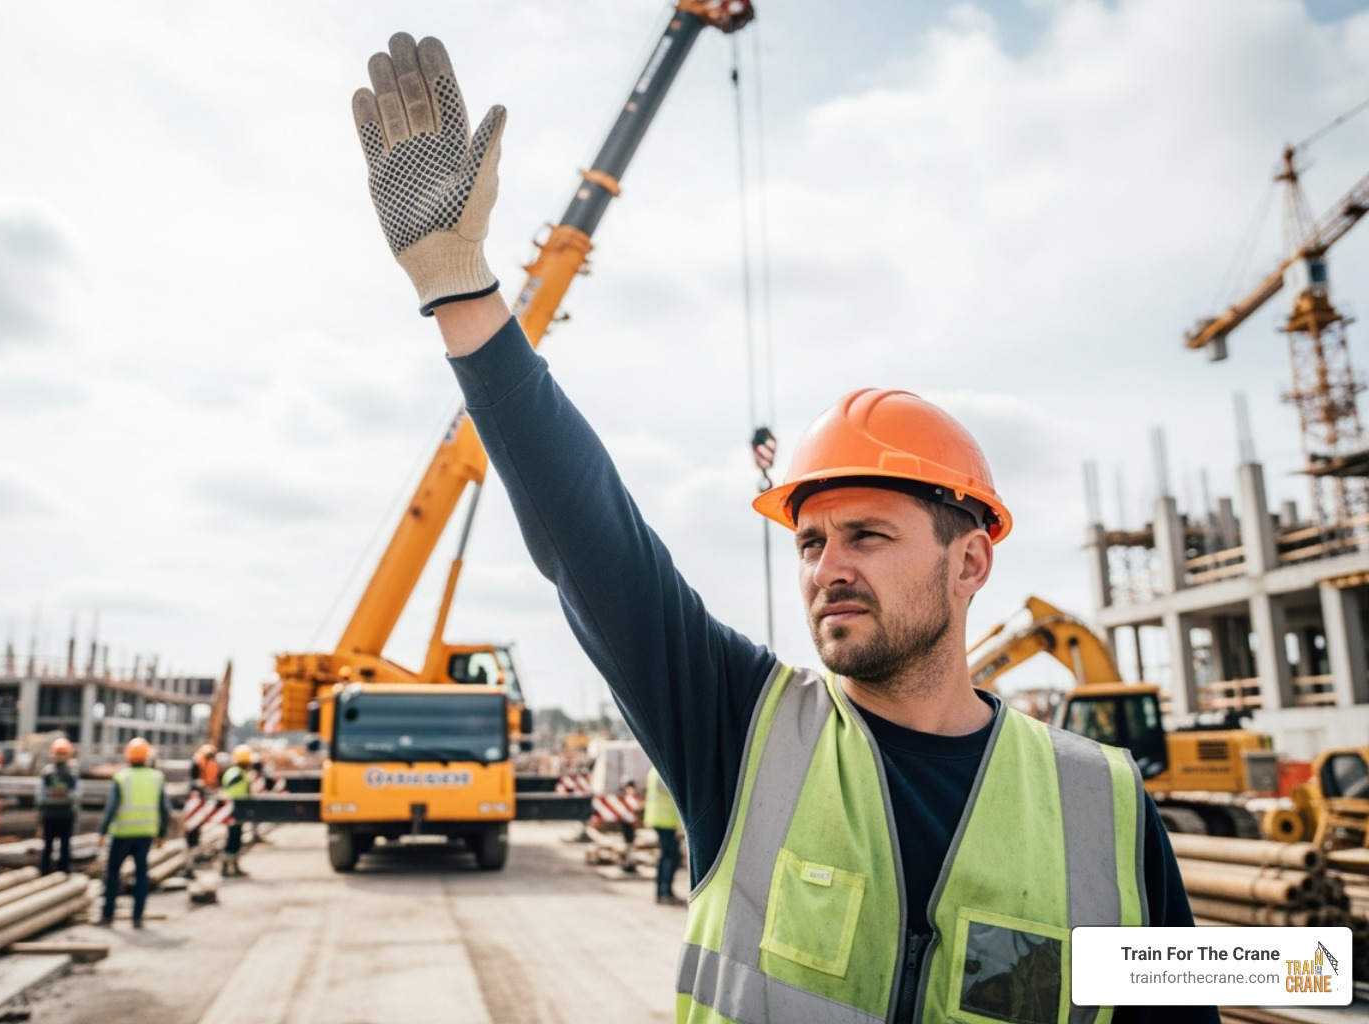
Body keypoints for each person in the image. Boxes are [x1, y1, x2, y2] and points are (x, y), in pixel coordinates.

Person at [350, 34, 1215, 1024]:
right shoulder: (744, 732)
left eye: (868, 536)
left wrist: (1311, 976)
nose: (828, 567)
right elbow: (594, 542)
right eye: (810, 542)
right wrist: (462, 288)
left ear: (970, 558)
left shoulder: (1099, 804)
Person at [97, 737, 170, 928]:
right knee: (141, 875)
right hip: (145, 834)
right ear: (147, 757)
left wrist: (102, 832)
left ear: (128, 756)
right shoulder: (157, 777)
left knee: (113, 874)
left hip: (122, 834)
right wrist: (162, 834)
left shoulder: (122, 777)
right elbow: (165, 810)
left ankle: (107, 915)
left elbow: (111, 808)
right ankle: (137, 917)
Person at [37, 737, 80, 875]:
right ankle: (63, 872)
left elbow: (40, 796)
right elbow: (76, 796)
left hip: (49, 815)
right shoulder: (71, 774)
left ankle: (44, 872)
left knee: (48, 846)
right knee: (65, 846)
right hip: (66, 815)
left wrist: (40, 814)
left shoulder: (46, 773)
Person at [644, 767, 684, 906]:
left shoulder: (654, 770)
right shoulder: (667, 770)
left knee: (666, 856)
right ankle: (665, 891)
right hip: (667, 821)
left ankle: (662, 891)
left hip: (659, 819)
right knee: (670, 856)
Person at [218, 744, 253, 877]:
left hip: (237, 809)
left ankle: (233, 866)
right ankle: (227, 866)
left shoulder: (236, 772)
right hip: (233, 810)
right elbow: (229, 788)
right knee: (233, 838)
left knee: (236, 837)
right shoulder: (237, 773)